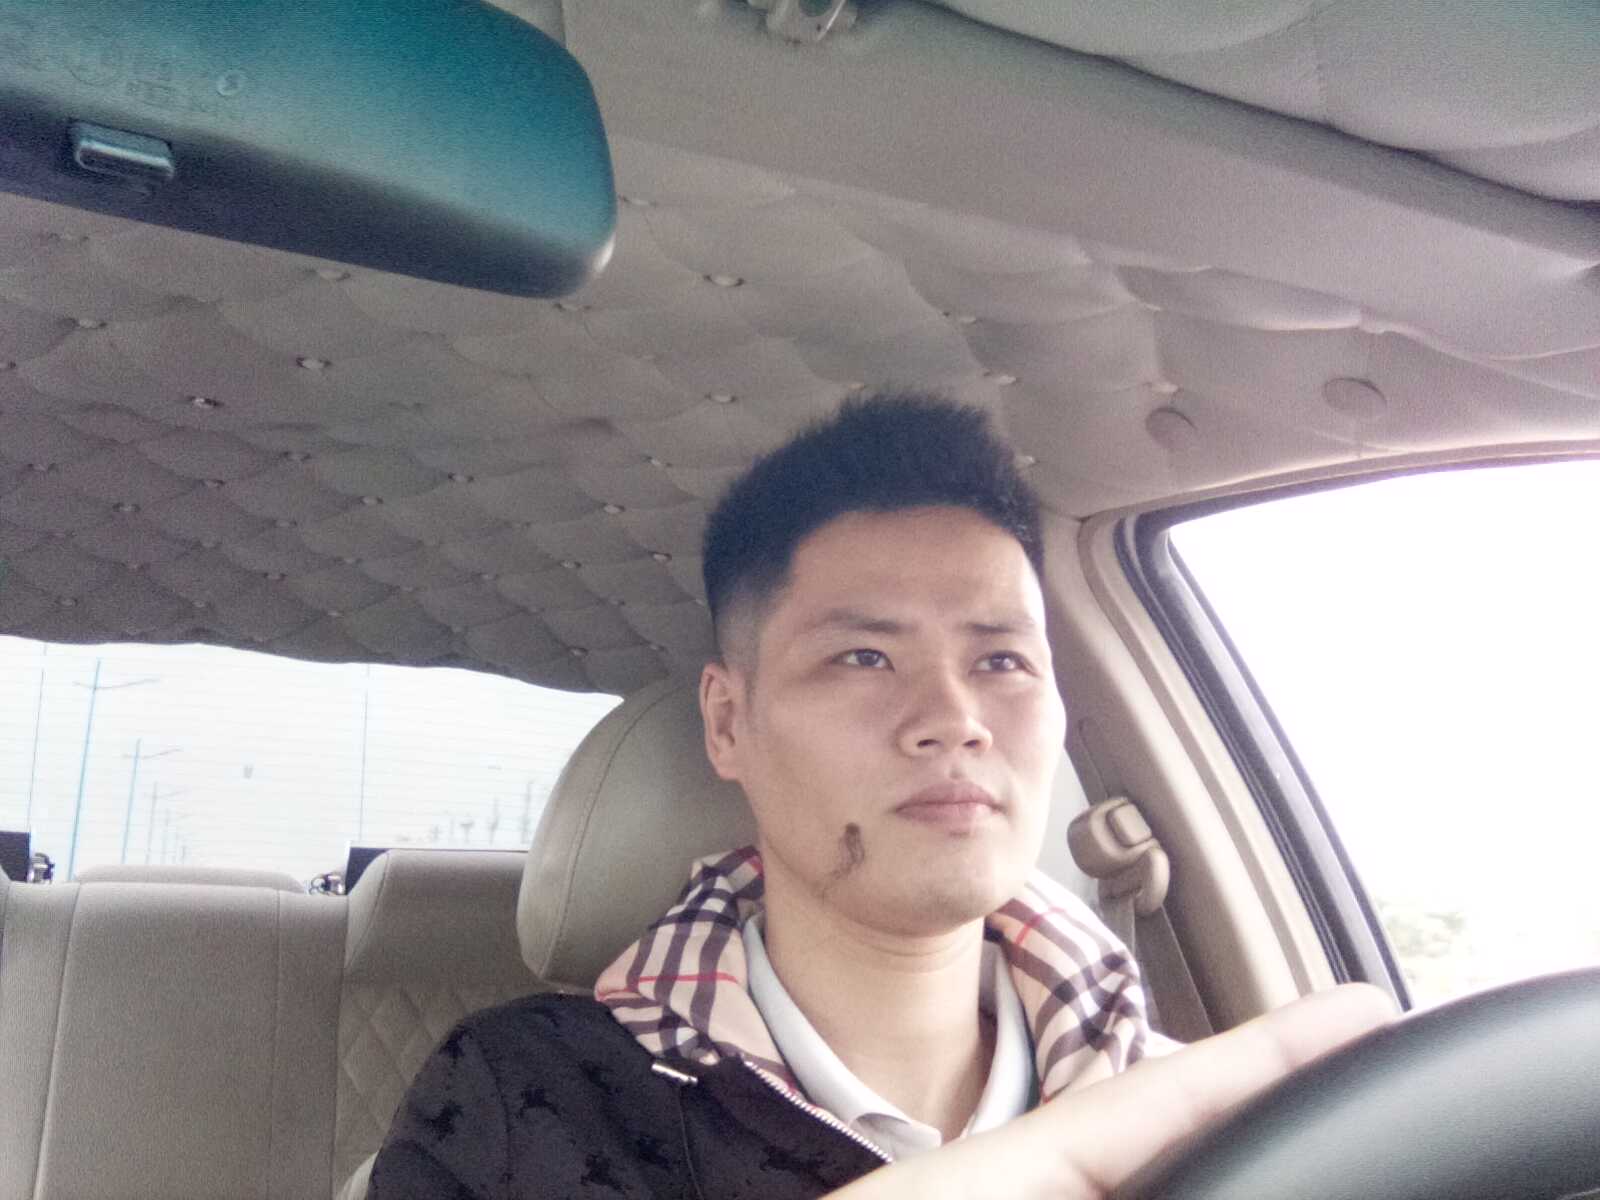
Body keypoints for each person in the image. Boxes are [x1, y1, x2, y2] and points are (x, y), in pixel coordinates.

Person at [369, 394, 1392, 1199]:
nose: (953, 718)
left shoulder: (1212, 1118)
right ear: (728, 723)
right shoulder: (525, 1106)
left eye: (1001, 660)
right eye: (863, 657)